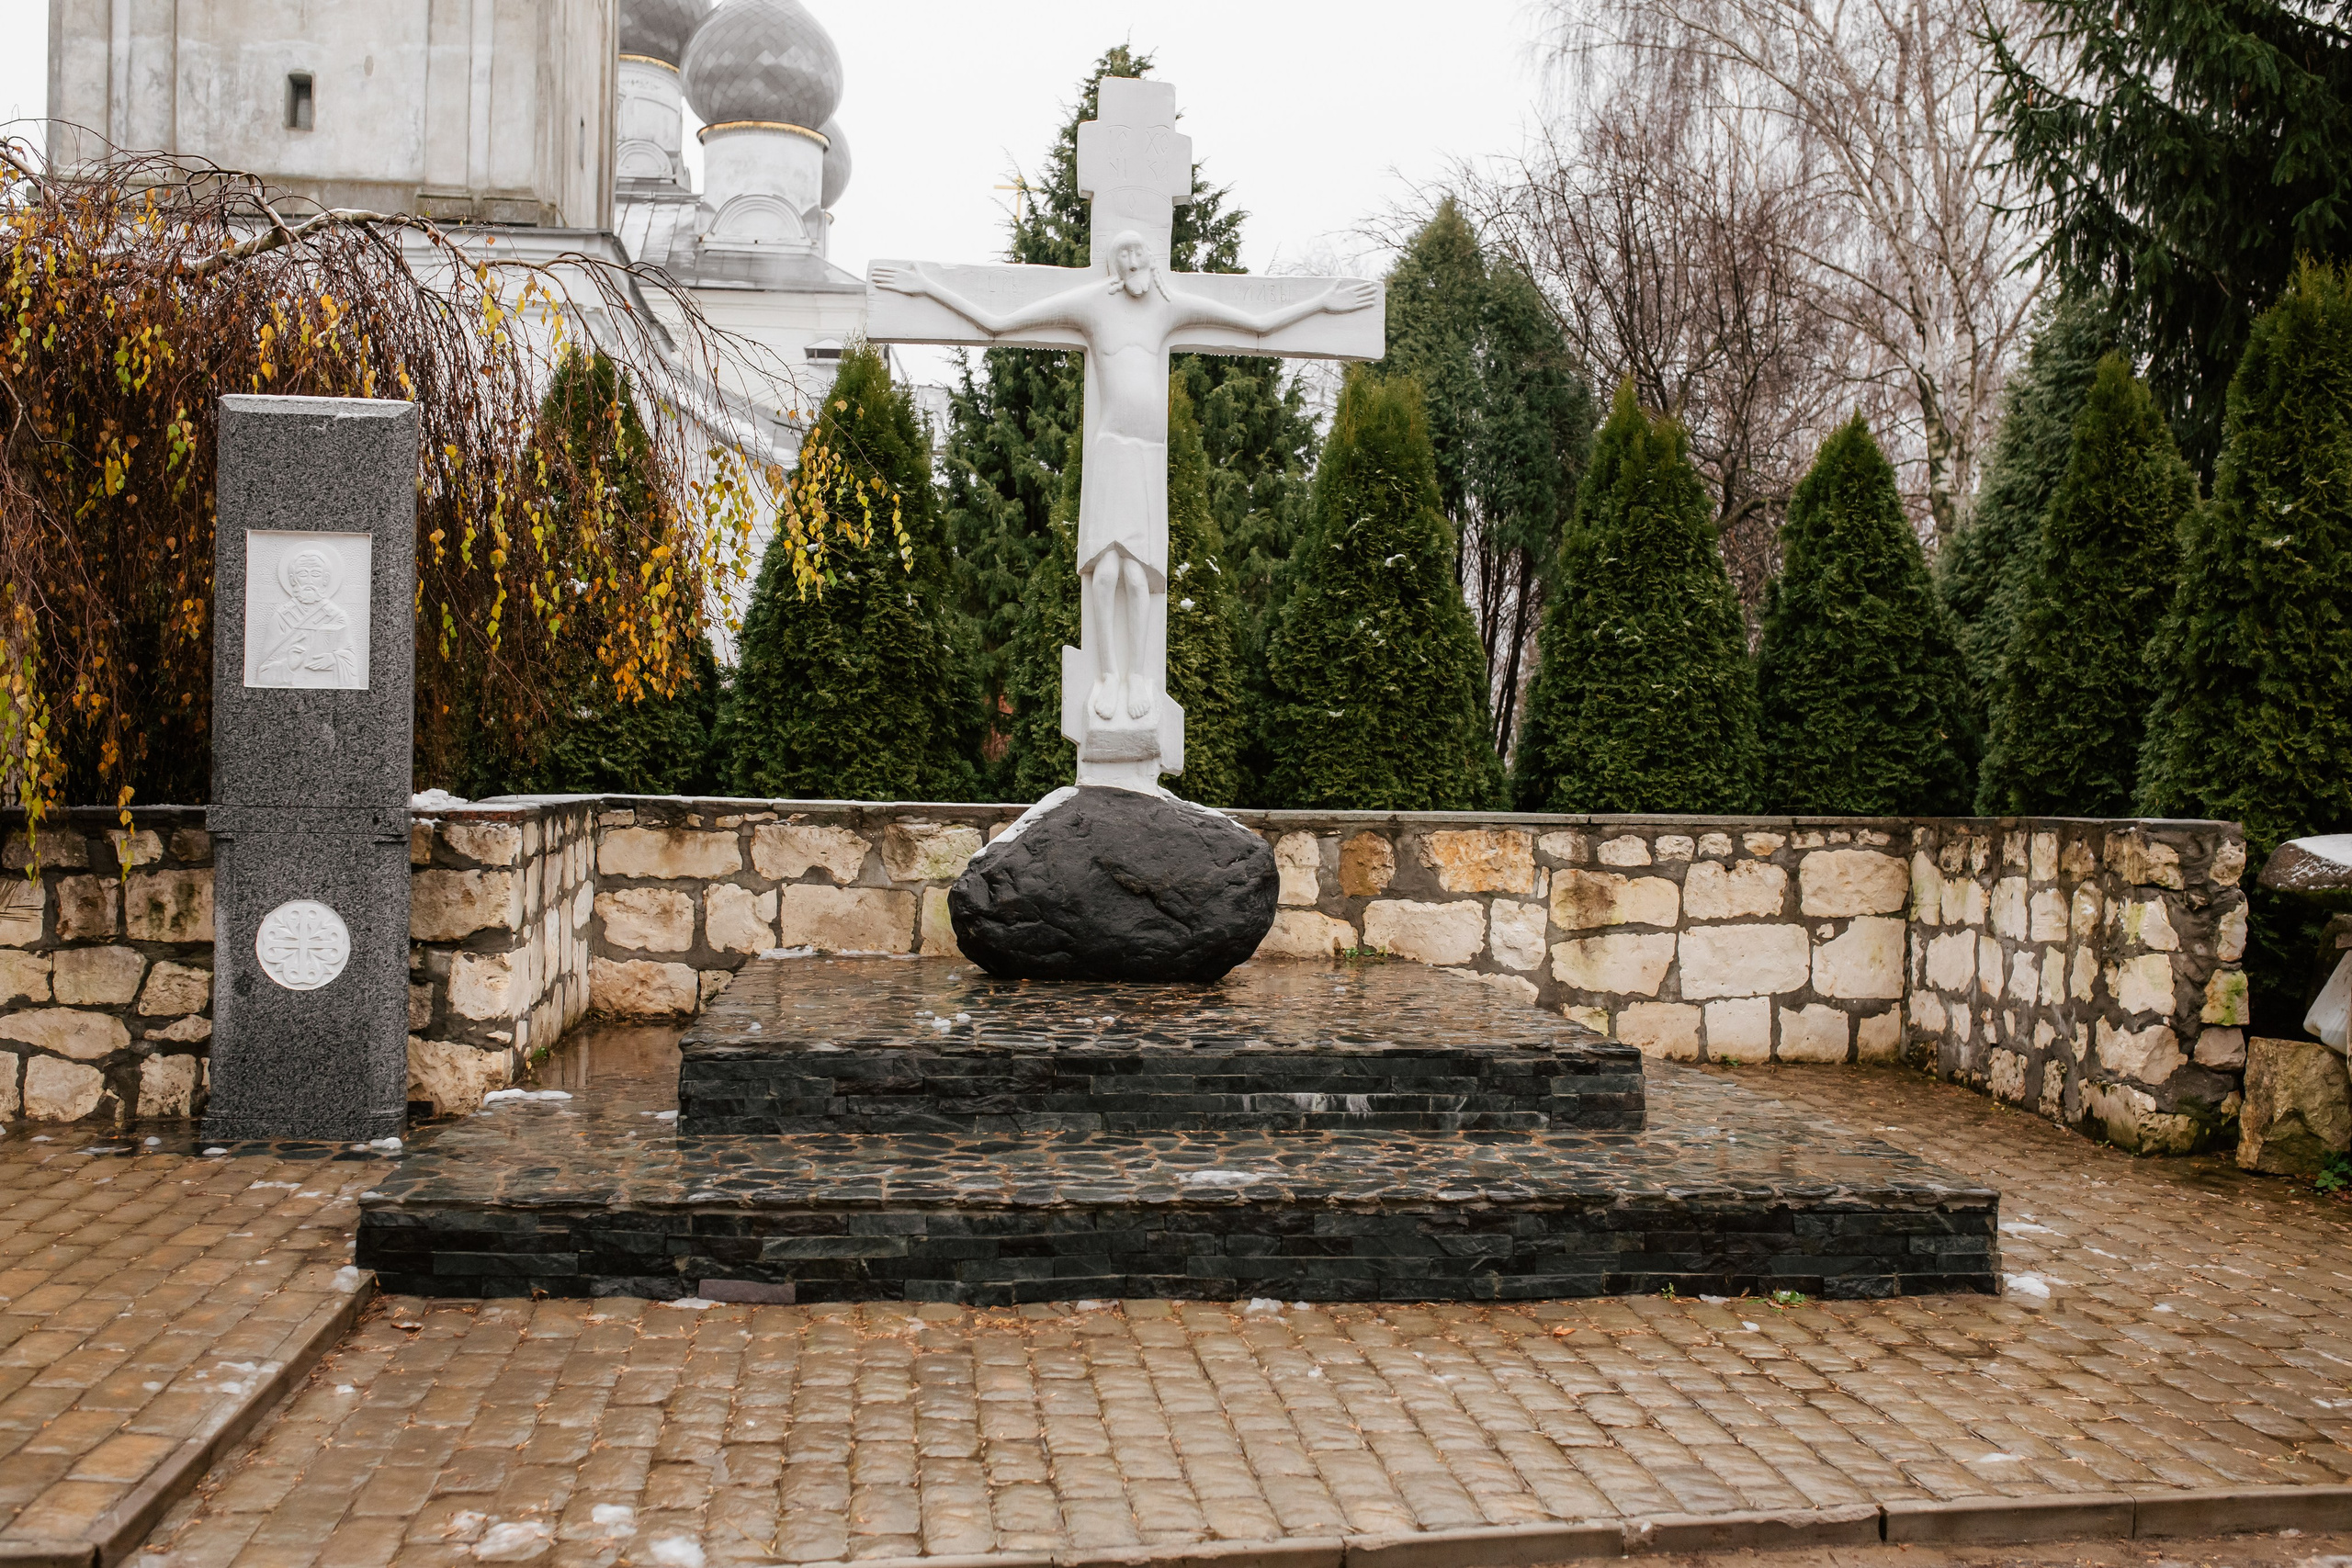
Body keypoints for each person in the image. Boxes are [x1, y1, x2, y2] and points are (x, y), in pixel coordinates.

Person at [876, 233, 1374, 727]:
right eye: (1124, 255)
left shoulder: (1168, 308)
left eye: (1140, 253)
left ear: (1152, 265)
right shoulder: (1094, 306)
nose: (1133, 260)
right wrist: (926, 288)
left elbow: (1258, 325)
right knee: (1107, 572)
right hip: (1112, 450)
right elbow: (1000, 322)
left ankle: (1138, 676)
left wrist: (1324, 305)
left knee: (1138, 576)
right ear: (1114, 268)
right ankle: (1108, 675)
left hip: (1146, 458)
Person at [254, 547, 361, 688]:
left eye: (315, 574)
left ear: (325, 579)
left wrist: (333, 658)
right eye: (303, 574)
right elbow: (263, 675)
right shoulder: (282, 618)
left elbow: (352, 666)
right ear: (293, 579)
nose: (309, 581)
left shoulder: (337, 616)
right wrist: (289, 665)